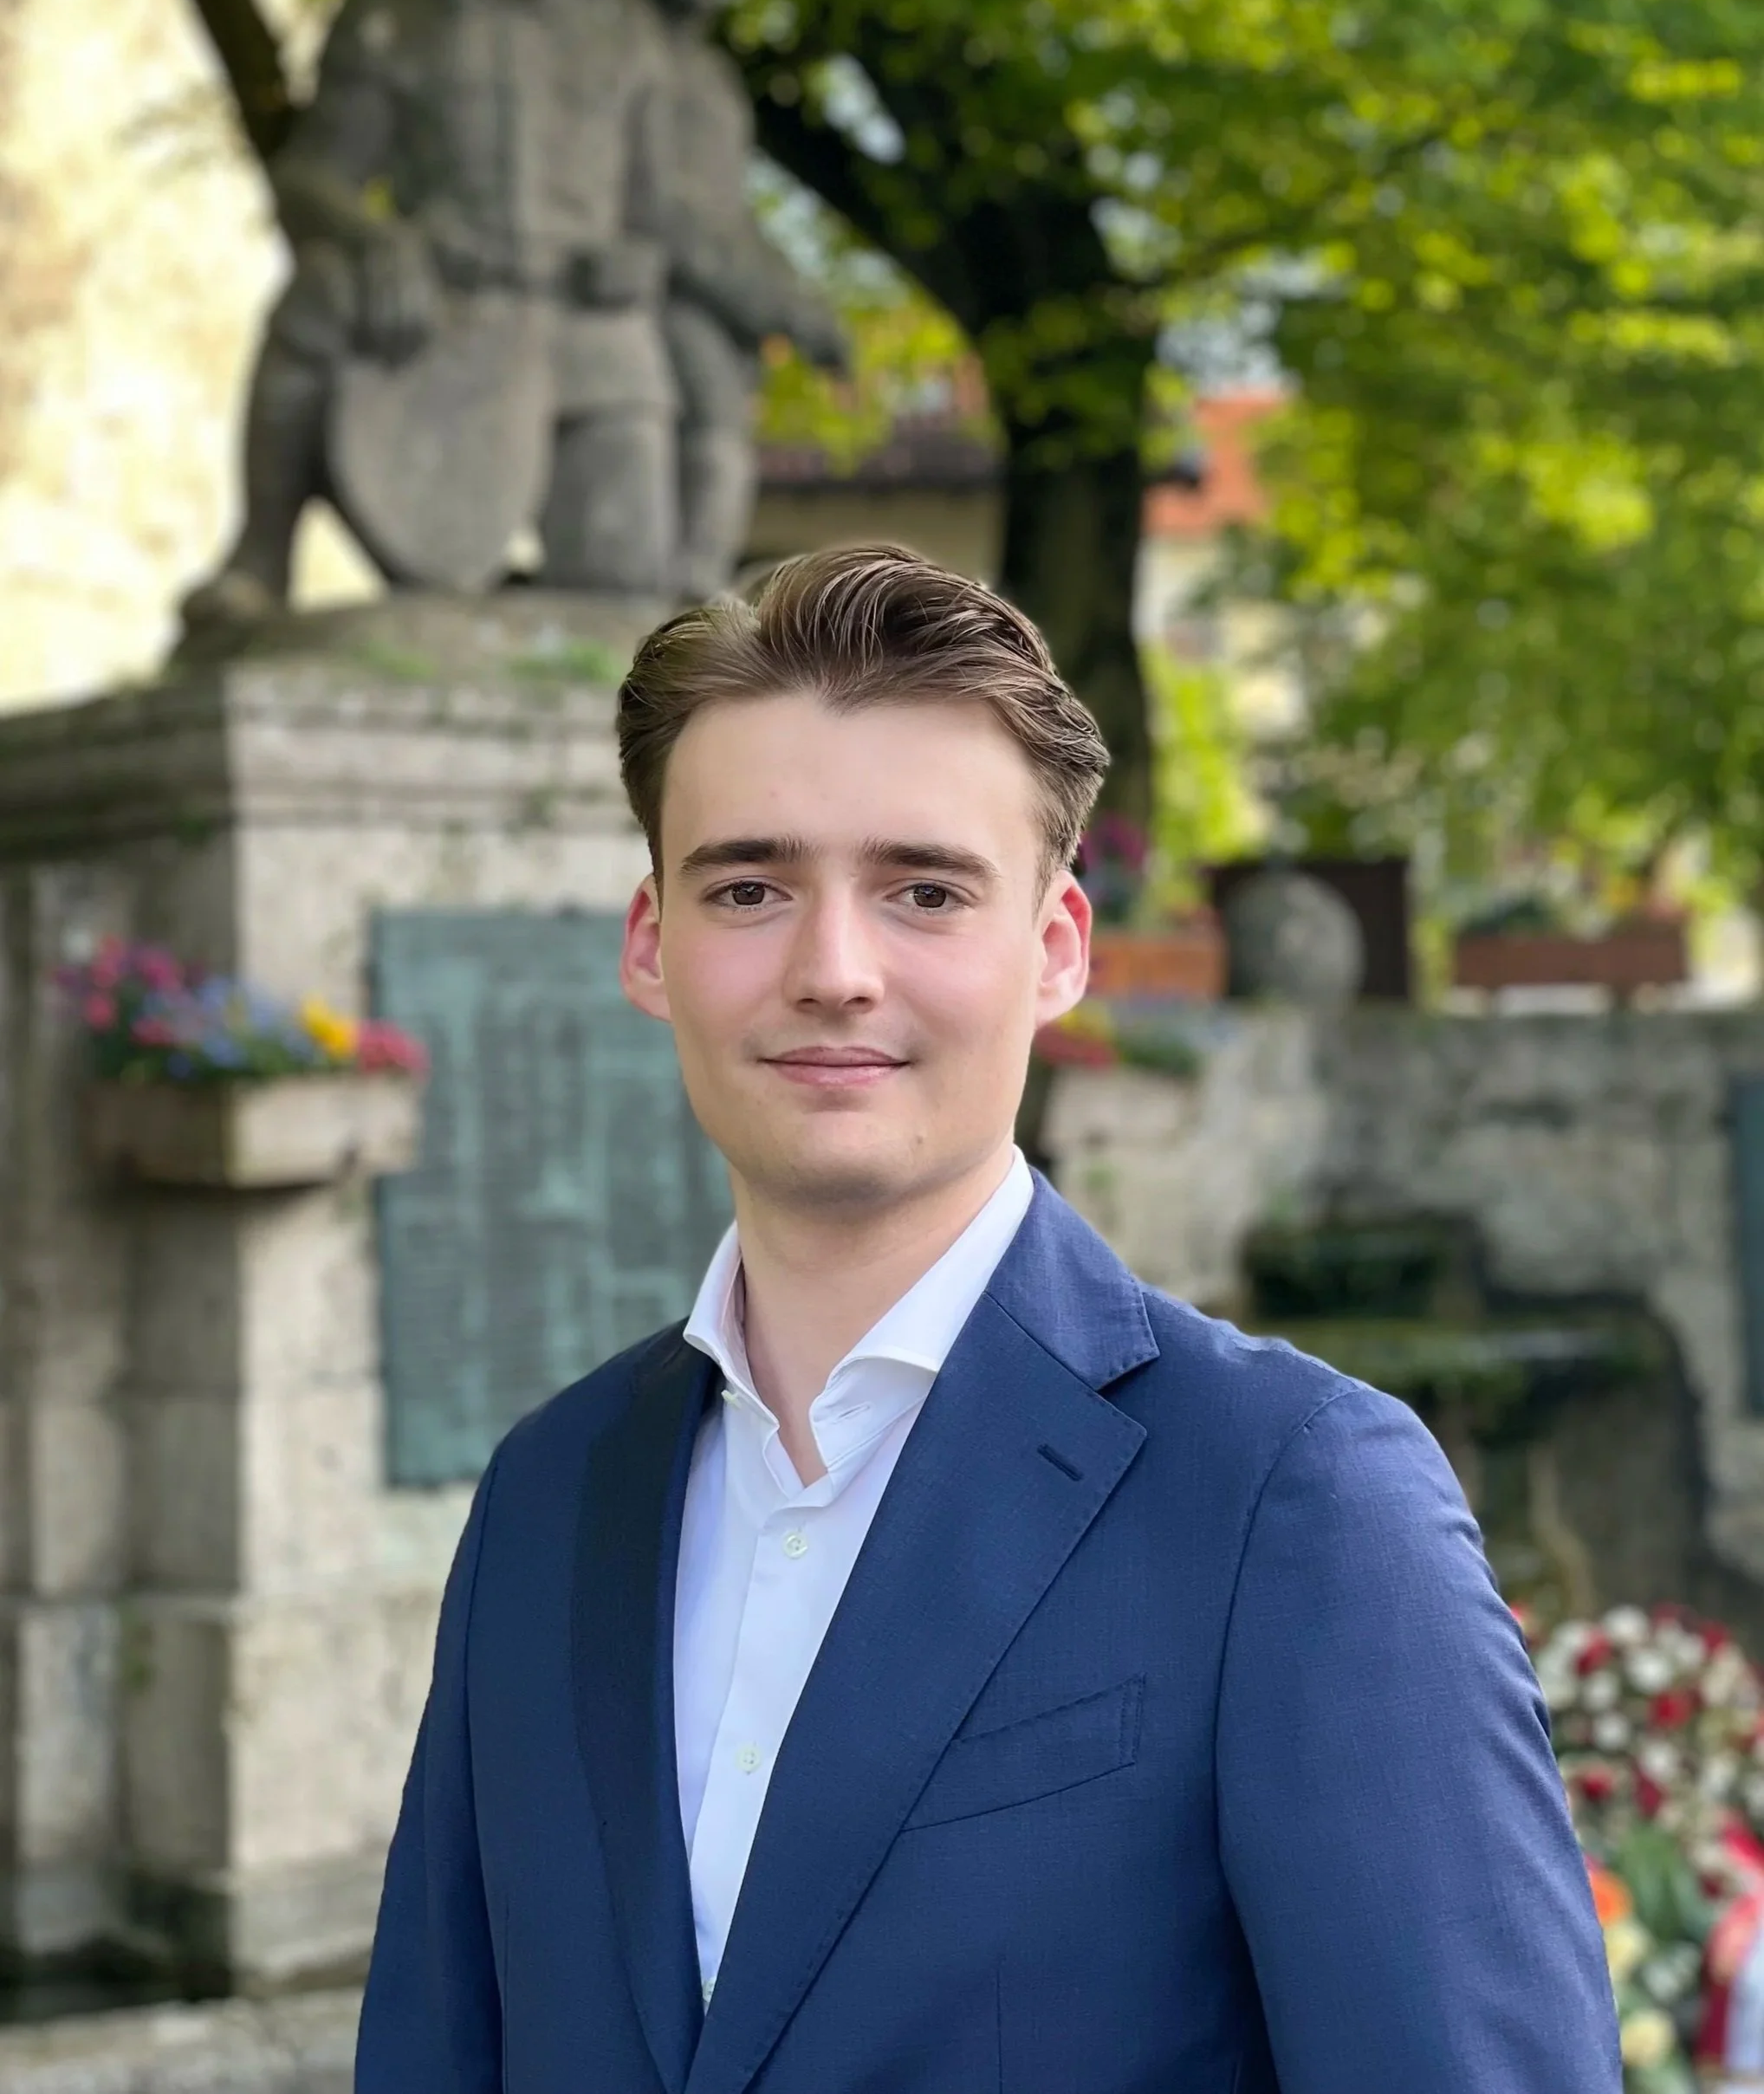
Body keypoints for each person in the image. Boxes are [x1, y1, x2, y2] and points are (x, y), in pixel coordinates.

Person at [356, 544, 1621, 2093]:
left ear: (1057, 949)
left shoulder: (1297, 1495)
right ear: (649, 944)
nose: (832, 968)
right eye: (749, 885)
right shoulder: (546, 1499)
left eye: (926, 890)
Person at [183, 0, 703, 626]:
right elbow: (313, 176)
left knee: (623, 592)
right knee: (317, 295)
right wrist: (376, 239)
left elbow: (660, 205)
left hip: (589, 329)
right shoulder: (400, 10)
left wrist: (640, 255)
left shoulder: (625, 30)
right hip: (443, 302)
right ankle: (260, 550)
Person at [624, 0, 849, 598]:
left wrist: (797, 300)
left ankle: (693, 579)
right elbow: (659, 204)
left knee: (719, 434)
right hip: (655, 288)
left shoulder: (716, 80)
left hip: (712, 294)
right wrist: (774, 304)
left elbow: (731, 212)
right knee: (697, 430)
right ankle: (680, 582)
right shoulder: (630, 61)